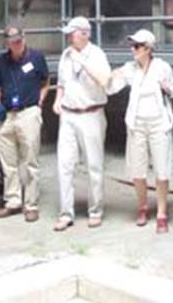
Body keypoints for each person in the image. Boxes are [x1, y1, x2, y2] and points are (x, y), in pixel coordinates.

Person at [108, 29, 173, 234]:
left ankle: (162, 212)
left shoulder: (162, 67)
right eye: (132, 46)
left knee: (161, 169)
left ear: (148, 48)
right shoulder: (130, 69)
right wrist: (110, 76)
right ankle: (142, 206)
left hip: (158, 123)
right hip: (136, 124)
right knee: (137, 170)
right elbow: (112, 87)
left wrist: (167, 87)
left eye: (137, 46)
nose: (133, 50)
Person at [52, 16, 111, 231]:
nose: (69, 36)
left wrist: (85, 64)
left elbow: (106, 81)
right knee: (64, 165)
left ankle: (95, 210)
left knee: (94, 165)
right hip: (68, 115)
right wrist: (58, 101)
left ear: (85, 34)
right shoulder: (66, 55)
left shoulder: (97, 54)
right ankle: (66, 213)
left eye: (73, 33)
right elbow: (61, 83)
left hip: (91, 114)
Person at [0, 24, 49, 222]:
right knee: (8, 162)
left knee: (30, 161)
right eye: (12, 42)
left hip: (28, 112)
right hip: (7, 114)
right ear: (7, 43)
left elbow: (45, 81)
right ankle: (12, 201)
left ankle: (31, 204)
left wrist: (39, 103)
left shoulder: (36, 58)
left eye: (19, 41)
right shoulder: (2, 61)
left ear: (24, 39)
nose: (16, 45)